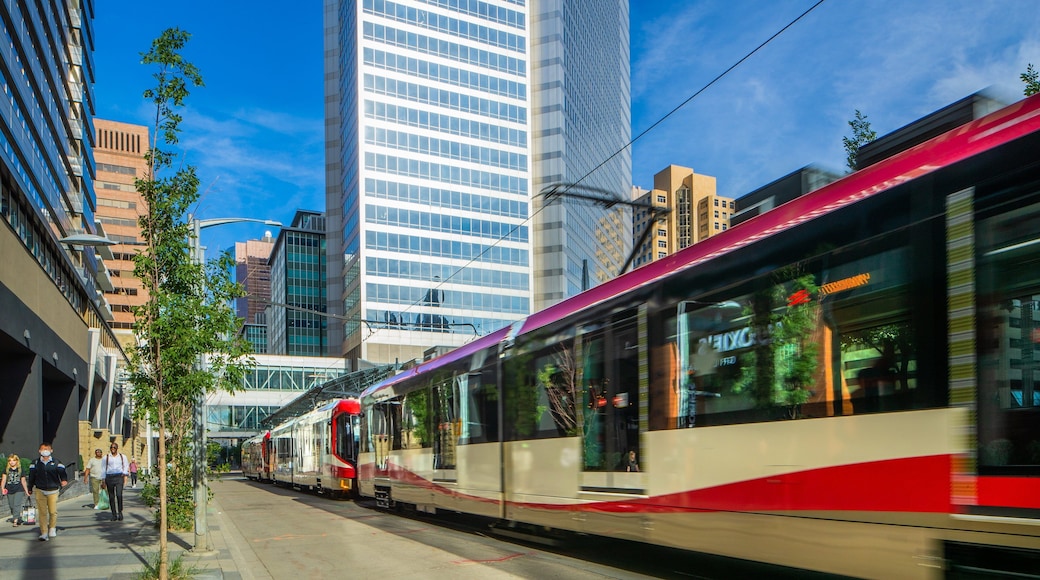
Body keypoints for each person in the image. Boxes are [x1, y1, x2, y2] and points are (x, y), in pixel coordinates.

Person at [26, 443, 68, 541]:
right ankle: (44, 532)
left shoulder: (56, 462)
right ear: (39, 451)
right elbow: (31, 476)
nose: (45, 451)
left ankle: (52, 528)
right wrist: (29, 487)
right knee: (42, 512)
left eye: (47, 449)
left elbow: (62, 472)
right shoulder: (35, 463)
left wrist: (64, 480)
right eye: (43, 449)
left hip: (53, 490)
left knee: (52, 511)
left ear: (51, 450)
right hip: (40, 489)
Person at [102, 442, 129, 522]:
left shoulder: (122, 456)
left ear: (117, 448)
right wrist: (103, 480)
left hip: (119, 477)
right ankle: (114, 514)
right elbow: (103, 468)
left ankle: (120, 512)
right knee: (111, 496)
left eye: (114, 447)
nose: (112, 449)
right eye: (111, 447)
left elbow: (126, 465)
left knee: (119, 495)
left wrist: (124, 474)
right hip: (109, 477)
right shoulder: (106, 457)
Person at [2, 454, 29, 526]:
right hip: (9, 489)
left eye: (13, 460)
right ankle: (16, 517)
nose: (12, 462)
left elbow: (23, 481)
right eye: (10, 460)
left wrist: (26, 491)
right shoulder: (6, 470)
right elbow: (3, 480)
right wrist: (2, 489)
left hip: (19, 489)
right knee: (11, 505)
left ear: (17, 461)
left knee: (16, 504)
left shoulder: (20, 470)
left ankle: (15, 520)